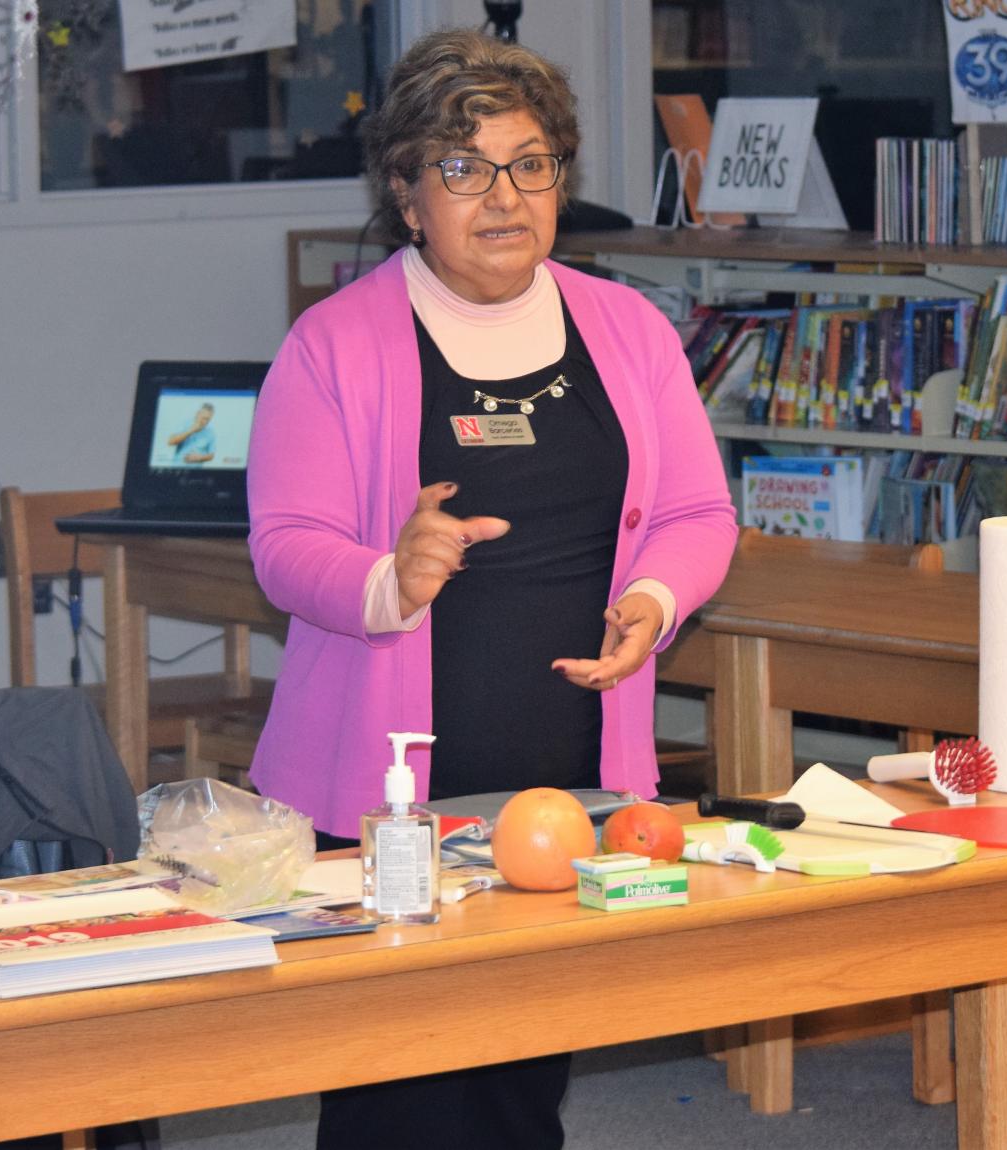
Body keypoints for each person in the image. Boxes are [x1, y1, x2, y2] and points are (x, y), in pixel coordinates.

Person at [245, 29, 737, 1150]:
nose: (504, 196)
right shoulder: (333, 345)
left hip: (569, 786)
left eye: (531, 164)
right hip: (388, 798)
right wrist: (390, 575)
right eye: (464, 168)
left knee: (523, 1087)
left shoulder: (629, 329)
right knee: (397, 1095)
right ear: (407, 195)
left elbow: (698, 514)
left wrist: (656, 601)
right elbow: (284, 544)